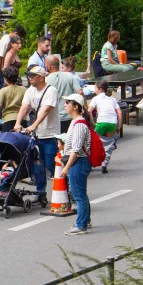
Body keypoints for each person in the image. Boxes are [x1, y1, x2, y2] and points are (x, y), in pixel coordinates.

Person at [14, 65, 60, 193]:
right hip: (36, 136)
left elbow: (45, 110)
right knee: (38, 166)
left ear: (41, 78)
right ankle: (41, 193)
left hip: (50, 134)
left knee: (52, 165)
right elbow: (24, 107)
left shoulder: (51, 91)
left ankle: (65, 188)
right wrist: (18, 122)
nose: (29, 78)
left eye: (32, 76)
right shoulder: (30, 91)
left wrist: (34, 125)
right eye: (29, 76)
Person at [59, 93, 93, 235]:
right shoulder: (75, 122)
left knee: (78, 195)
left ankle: (81, 226)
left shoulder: (79, 125)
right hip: (79, 162)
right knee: (81, 194)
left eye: (68, 103)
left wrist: (66, 168)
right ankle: (86, 221)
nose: (65, 105)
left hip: (79, 162)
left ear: (76, 106)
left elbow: (76, 149)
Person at [89, 80, 123, 174]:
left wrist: (93, 122)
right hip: (112, 123)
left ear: (100, 89)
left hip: (101, 122)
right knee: (108, 143)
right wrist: (118, 126)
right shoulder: (112, 99)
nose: (94, 90)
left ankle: (91, 164)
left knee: (94, 143)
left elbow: (89, 111)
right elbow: (119, 113)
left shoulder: (95, 99)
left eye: (95, 88)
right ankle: (105, 165)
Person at [46, 55, 83, 133]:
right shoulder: (69, 75)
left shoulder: (46, 80)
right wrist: (83, 109)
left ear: (49, 67)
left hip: (55, 117)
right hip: (70, 115)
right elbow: (80, 92)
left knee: (59, 142)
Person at [0, 66, 26, 132]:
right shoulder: (24, 89)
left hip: (8, 120)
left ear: (5, 79)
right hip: (22, 119)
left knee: (8, 141)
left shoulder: (4, 90)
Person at [0, 25, 26, 90]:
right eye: (19, 38)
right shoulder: (6, 40)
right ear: (16, 34)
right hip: (2, 73)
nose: (20, 44)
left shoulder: (10, 42)